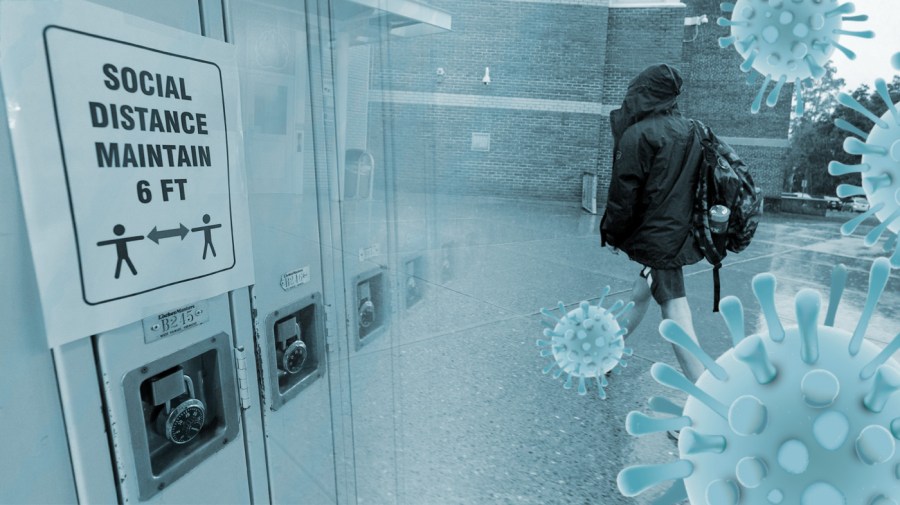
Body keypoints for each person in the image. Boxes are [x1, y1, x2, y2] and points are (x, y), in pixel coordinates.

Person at [600, 63, 705, 387]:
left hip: (659, 239)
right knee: (640, 293)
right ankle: (607, 352)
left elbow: (623, 196)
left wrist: (613, 233)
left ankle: (711, 399)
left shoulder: (638, 134)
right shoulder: (694, 130)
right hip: (680, 233)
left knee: (675, 316)